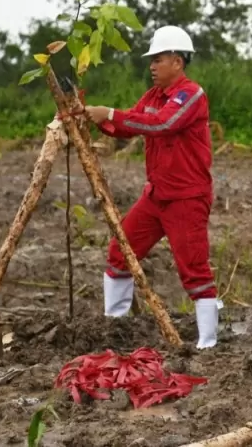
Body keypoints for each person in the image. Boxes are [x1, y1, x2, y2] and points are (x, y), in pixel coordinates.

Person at [83, 25, 219, 349]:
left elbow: (163, 124)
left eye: (158, 59)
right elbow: (131, 124)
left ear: (177, 60)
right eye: (152, 60)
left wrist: (111, 113)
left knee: (194, 270)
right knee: (120, 253)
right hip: (156, 196)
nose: (152, 66)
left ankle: (208, 344)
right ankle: (114, 329)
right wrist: (99, 120)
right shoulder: (154, 96)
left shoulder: (191, 95)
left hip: (186, 198)